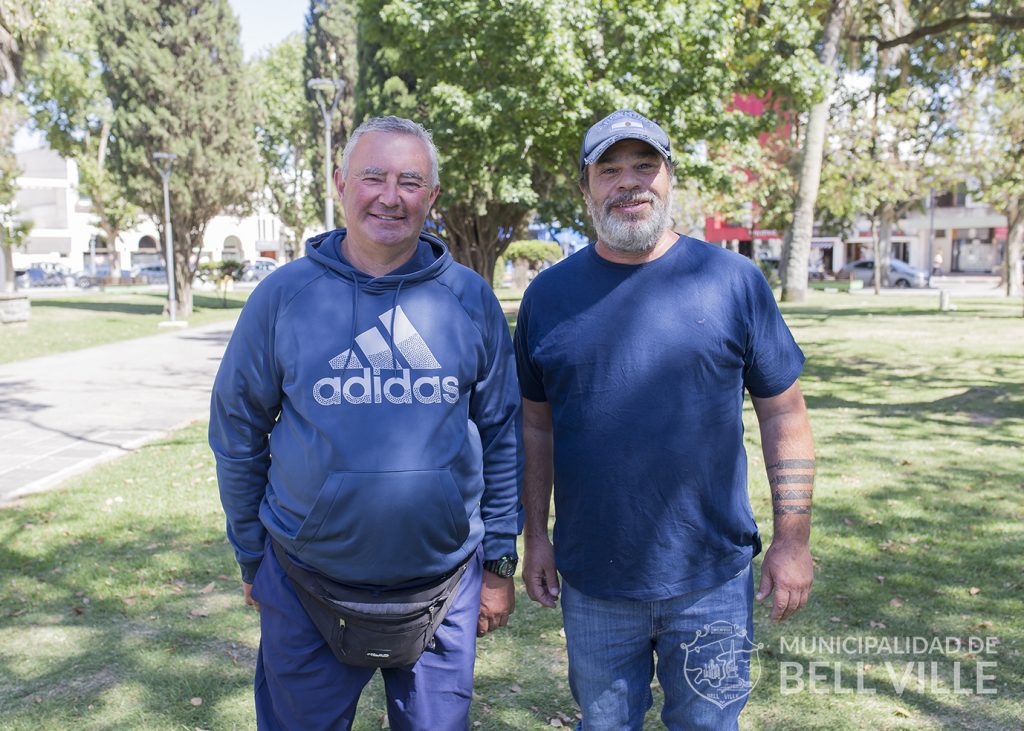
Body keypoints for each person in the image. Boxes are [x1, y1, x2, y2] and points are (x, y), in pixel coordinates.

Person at [210, 116, 521, 731]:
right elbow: (237, 430)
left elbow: (503, 434)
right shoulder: (283, 297)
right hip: (304, 582)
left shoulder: (469, 299)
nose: (390, 195)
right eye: (372, 177)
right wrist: (253, 557)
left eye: (410, 181)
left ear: (432, 197)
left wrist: (500, 563)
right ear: (339, 184)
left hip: (445, 585)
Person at [514, 109, 815, 730]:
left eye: (645, 166)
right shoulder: (549, 296)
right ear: (586, 188)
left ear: (670, 176)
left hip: (712, 577)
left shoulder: (732, 282)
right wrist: (535, 536)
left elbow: (783, 412)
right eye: (610, 170)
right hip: (595, 579)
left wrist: (792, 540)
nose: (630, 183)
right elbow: (535, 426)